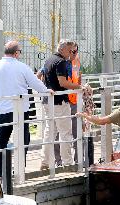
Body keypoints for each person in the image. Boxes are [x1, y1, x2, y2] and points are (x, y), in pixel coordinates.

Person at [0, 40, 54, 176]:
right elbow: (34, 82)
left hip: (2, 109)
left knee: (0, 142)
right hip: (20, 110)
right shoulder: (22, 67)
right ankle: (19, 169)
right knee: (23, 140)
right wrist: (46, 91)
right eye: (19, 51)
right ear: (16, 53)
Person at [40, 39, 82, 170]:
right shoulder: (61, 62)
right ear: (63, 49)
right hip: (60, 101)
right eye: (70, 51)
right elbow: (63, 82)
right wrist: (80, 87)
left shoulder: (49, 60)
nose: (71, 53)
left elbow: (41, 77)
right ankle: (68, 163)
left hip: (48, 101)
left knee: (49, 133)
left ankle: (45, 162)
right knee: (65, 132)